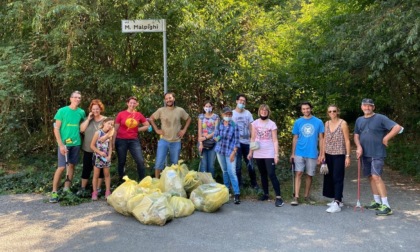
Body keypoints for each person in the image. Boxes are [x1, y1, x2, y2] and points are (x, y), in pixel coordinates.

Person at [354, 98, 402, 216]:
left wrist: (386, 138)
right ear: (361, 107)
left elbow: (397, 127)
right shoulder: (359, 120)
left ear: (373, 107)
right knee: (370, 177)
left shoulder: (380, 118)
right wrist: (359, 147)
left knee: (376, 177)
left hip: (377, 153)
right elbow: (356, 135)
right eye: (365, 105)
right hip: (365, 153)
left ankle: (386, 206)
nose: (367, 107)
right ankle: (377, 202)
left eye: (370, 106)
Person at [49, 91, 86, 203]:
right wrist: (60, 145)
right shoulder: (62, 111)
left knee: (71, 166)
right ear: (70, 98)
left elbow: (83, 127)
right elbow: (56, 129)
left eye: (79, 98)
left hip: (76, 143)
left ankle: (66, 189)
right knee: (61, 167)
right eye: (75, 97)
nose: (77, 99)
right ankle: (54, 192)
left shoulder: (81, 112)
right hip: (64, 144)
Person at [247, 104, 284, 207]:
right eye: (262, 110)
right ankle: (266, 194)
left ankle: (279, 197)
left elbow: (275, 140)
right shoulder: (255, 123)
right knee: (263, 174)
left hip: (269, 151)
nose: (263, 112)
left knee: (271, 174)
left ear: (268, 112)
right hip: (258, 151)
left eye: (265, 110)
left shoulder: (272, 124)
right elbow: (253, 138)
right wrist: (250, 152)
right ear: (259, 111)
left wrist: (276, 155)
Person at [149, 92, 191, 178]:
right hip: (164, 140)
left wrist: (184, 130)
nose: (169, 100)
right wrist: (157, 129)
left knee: (174, 164)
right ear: (165, 100)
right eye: (167, 98)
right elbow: (151, 118)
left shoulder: (180, 110)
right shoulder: (161, 110)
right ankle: (157, 181)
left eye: (170, 98)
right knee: (159, 163)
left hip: (176, 141)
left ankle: (173, 182)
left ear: (174, 99)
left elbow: (189, 118)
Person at [290, 101, 324, 206]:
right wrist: (292, 153)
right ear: (301, 110)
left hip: (312, 152)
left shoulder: (318, 122)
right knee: (298, 173)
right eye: (304, 109)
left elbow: (321, 138)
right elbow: (295, 138)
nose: (306, 110)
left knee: (309, 175)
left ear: (311, 108)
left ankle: (306, 196)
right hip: (299, 152)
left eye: (307, 108)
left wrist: (322, 154)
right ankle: (296, 197)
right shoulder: (298, 122)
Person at [113, 96, 150, 182]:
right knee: (122, 161)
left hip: (133, 140)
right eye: (131, 103)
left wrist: (138, 129)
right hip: (121, 140)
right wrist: (113, 142)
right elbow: (115, 129)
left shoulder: (138, 115)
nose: (132, 104)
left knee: (140, 161)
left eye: (134, 103)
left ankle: (142, 181)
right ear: (127, 103)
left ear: (136, 104)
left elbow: (147, 125)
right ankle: (121, 181)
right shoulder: (121, 114)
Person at [323, 105, 351, 213]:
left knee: (337, 177)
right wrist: (322, 153)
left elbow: (347, 140)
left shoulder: (343, 123)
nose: (332, 113)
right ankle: (337, 198)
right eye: (330, 111)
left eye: (334, 111)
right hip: (328, 153)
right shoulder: (327, 123)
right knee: (329, 177)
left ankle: (337, 203)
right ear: (328, 113)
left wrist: (348, 156)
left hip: (339, 154)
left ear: (337, 111)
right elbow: (325, 138)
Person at [78, 99, 109, 197]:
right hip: (88, 149)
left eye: (97, 109)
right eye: (93, 109)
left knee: (100, 171)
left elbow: (111, 131)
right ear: (91, 109)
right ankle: (83, 188)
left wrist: (106, 136)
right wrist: (88, 119)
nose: (95, 111)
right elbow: (82, 129)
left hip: (101, 151)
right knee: (86, 169)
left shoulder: (105, 119)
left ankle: (98, 189)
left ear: (101, 109)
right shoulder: (88, 119)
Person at [214, 106, 241, 204]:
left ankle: (237, 194)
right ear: (222, 115)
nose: (228, 116)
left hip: (230, 152)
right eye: (226, 114)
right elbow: (215, 137)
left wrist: (234, 153)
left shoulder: (234, 126)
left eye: (230, 114)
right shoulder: (219, 124)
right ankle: (226, 192)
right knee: (224, 171)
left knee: (232, 172)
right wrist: (218, 137)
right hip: (220, 151)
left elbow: (237, 142)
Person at [232, 94, 258, 189]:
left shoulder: (248, 114)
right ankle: (239, 185)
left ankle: (254, 184)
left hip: (247, 143)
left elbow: (252, 130)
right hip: (236, 143)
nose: (242, 102)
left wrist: (253, 144)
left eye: (244, 101)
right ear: (236, 101)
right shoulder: (232, 114)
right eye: (240, 100)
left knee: (250, 164)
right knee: (237, 166)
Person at [90, 117, 114, 200]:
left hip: (106, 158)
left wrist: (109, 156)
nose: (110, 126)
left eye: (112, 124)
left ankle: (107, 192)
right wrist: (100, 153)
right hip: (98, 157)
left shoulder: (110, 135)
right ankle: (94, 192)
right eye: (108, 123)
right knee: (96, 175)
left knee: (107, 175)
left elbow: (110, 147)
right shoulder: (98, 133)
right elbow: (92, 145)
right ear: (104, 123)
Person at [197, 100, 219, 178]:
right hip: (202, 142)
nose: (208, 108)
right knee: (203, 164)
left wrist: (206, 137)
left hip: (213, 142)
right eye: (206, 106)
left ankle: (211, 182)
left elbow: (216, 131)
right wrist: (200, 143)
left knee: (211, 165)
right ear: (203, 107)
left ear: (212, 107)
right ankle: (203, 183)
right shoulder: (201, 117)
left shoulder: (215, 117)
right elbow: (199, 130)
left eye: (209, 106)